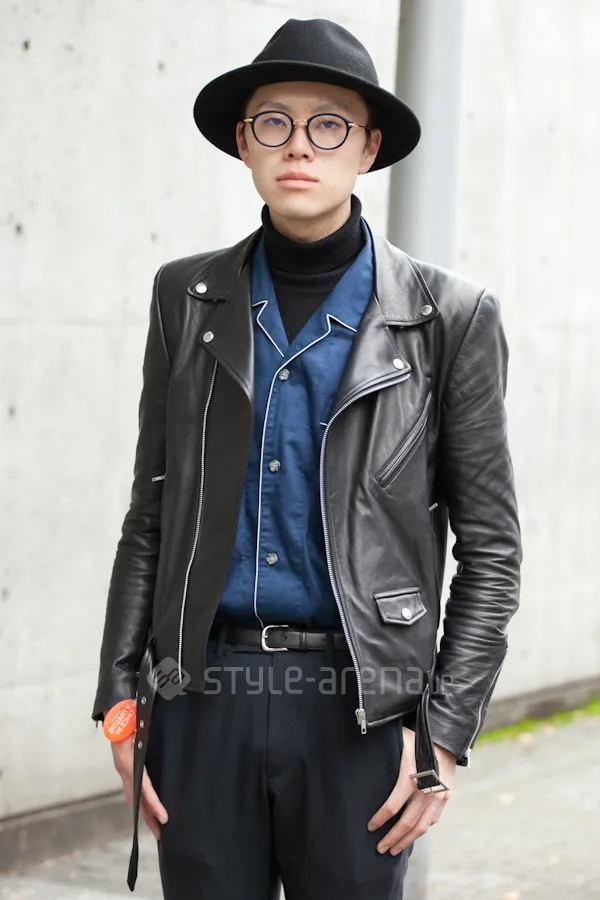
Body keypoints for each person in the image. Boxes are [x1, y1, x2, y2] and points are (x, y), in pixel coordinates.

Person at [91, 17, 522, 900]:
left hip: (361, 710)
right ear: (243, 143)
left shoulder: (449, 317)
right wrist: (118, 700)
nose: (299, 145)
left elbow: (492, 550)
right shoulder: (186, 296)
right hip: (201, 699)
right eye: (274, 121)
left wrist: (443, 733)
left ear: (368, 147)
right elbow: (151, 516)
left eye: (329, 123)